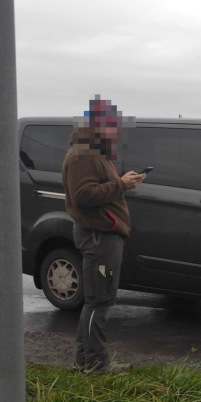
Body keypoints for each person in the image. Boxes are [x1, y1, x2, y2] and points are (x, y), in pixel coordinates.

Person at [62, 97, 146, 372]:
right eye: (112, 125)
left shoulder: (95, 153)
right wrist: (120, 184)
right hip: (98, 237)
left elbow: (101, 187)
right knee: (99, 301)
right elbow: (83, 195)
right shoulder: (83, 154)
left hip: (105, 237)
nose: (116, 130)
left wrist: (123, 182)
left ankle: (86, 360)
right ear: (95, 125)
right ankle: (94, 364)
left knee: (101, 299)